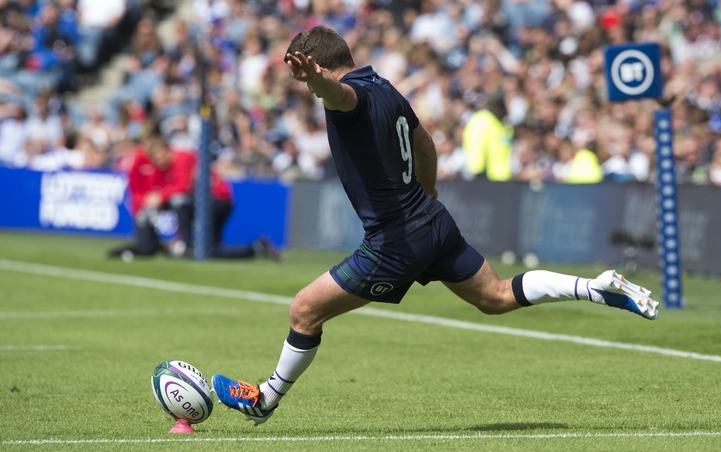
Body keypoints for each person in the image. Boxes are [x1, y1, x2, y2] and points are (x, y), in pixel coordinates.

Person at [211, 25, 659, 426]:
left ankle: (265, 400)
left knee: (304, 310)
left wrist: (320, 84)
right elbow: (425, 143)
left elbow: (339, 97)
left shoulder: (351, 95)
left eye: (306, 80)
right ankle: (596, 288)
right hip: (432, 222)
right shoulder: (385, 86)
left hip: (395, 241)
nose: (306, 90)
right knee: (497, 296)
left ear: (323, 66)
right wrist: (428, 192)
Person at [108, 128, 283, 261]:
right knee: (210, 251)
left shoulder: (183, 157)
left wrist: (159, 197)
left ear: (167, 149)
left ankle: (187, 245)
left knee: (178, 201)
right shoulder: (165, 166)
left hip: (217, 200)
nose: (159, 162)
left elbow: (182, 188)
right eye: (155, 159)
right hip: (205, 201)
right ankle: (256, 248)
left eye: (160, 156)